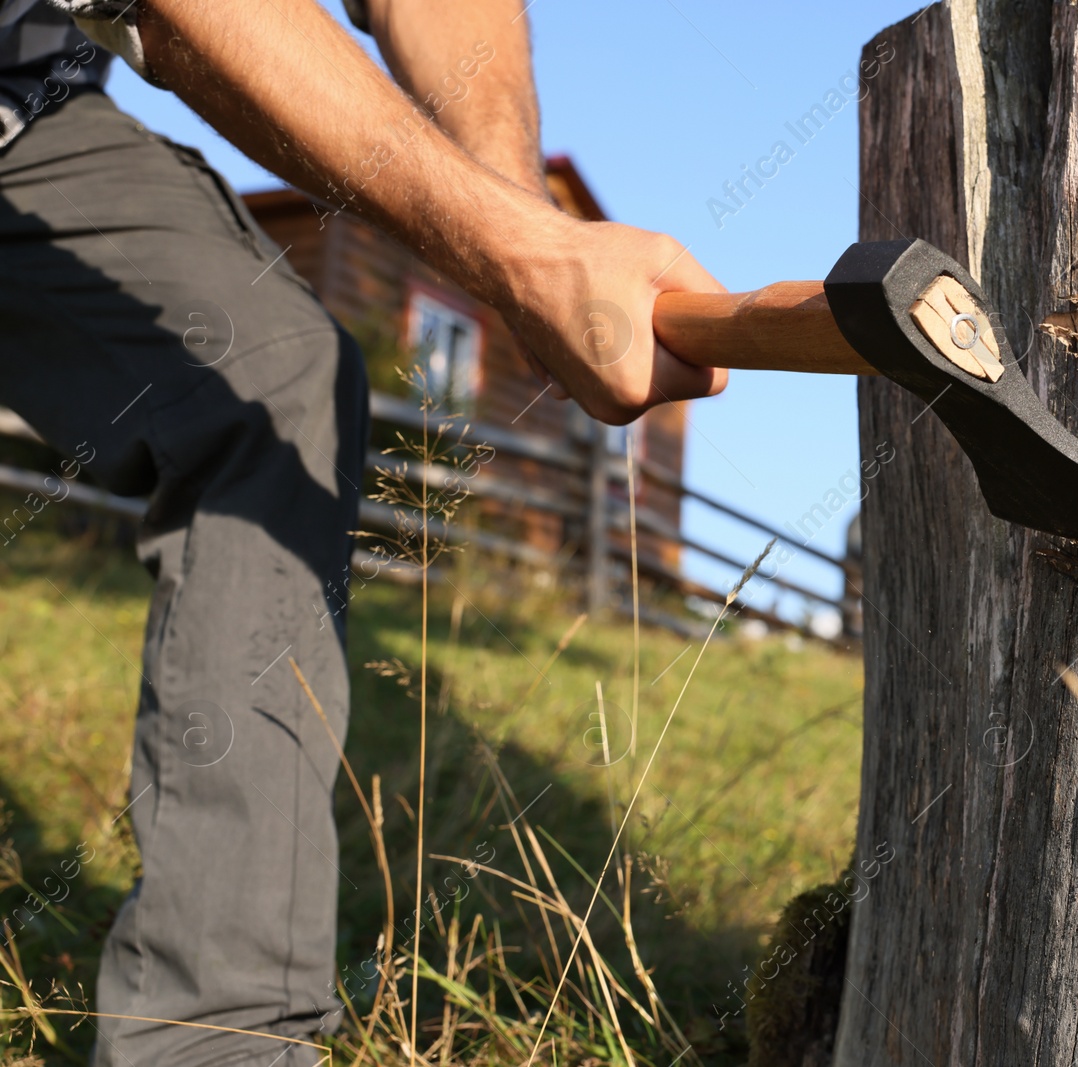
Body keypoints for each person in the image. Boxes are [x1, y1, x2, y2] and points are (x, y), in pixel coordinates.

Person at [0, 0, 729, 1062]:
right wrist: (510, 254)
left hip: (25, 116)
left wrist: (521, 218)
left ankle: (216, 1034)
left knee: (267, 378)